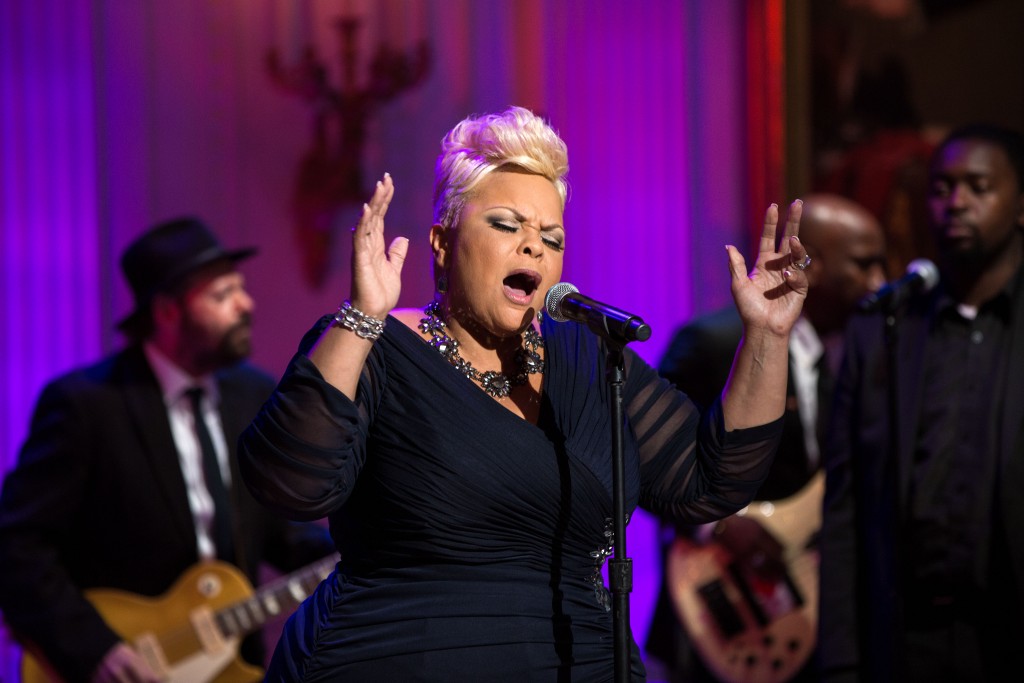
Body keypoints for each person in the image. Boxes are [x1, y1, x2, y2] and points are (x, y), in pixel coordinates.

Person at [237, 105, 811, 681]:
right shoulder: (377, 347)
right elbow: (293, 485)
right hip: (398, 658)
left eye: (552, 237)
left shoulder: (589, 359)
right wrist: (362, 316)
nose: (534, 247)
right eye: (508, 225)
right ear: (442, 241)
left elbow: (712, 481)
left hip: (578, 663)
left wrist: (767, 334)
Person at [0, 217, 335, 683]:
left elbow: (281, 529)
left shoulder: (252, 393)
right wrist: (96, 651)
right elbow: (17, 546)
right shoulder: (87, 405)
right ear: (167, 312)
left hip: (232, 664)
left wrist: (362, 548)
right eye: (222, 295)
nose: (246, 304)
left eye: (240, 288)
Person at [644, 194, 887, 683]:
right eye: (863, 264)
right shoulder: (711, 342)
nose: (878, 282)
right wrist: (723, 526)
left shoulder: (848, 358)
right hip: (721, 608)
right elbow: (645, 460)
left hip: (801, 614)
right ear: (811, 265)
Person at [817, 123, 1024, 682]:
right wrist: (839, 658)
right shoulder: (885, 328)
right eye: (941, 188)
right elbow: (844, 510)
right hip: (904, 637)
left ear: (1020, 204)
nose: (956, 204)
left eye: (978, 187)